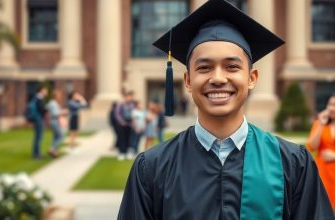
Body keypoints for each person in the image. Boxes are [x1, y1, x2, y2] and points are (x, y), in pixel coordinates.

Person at [118, 0, 334, 219]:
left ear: (251, 78)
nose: (218, 78)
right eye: (204, 68)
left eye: (232, 67)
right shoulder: (152, 168)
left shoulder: (292, 164)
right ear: (188, 80)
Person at [307, 94, 335, 209]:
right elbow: (312, 146)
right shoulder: (319, 123)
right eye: (330, 104)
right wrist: (321, 124)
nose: (332, 108)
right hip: (323, 172)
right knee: (323, 207)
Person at [114, 91, 135, 160]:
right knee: (121, 138)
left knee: (128, 138)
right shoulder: (120, 104)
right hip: (121, 124)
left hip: (129, 123)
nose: (131, 98)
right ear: (126, 97)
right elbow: (117, 114)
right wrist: (122, 122)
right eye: (130, 97)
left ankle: (127, 152)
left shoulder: (131, 105)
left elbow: (133, 113)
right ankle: (121, 153)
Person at [46, 90, 67, 157]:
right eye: (59, 96)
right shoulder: (53, 103)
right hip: (55, 121)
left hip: (55, 121)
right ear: (55, 96)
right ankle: (52, 149)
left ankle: (54, 151)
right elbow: (55, 114)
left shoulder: (53, 103)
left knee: (55, 137)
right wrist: (64, 112)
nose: (60, 97)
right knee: (61, 136)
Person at [31, 85, 48, 159]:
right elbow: (41, 109)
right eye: (45, 90)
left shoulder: (36, 98)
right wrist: (46, 109)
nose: (46, 92)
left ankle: (36, 153)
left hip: (37, 119)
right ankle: (36, 154)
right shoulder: (39, 98)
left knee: (38, 137)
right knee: (38, 137)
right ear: (41, 90)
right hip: (38, 119)